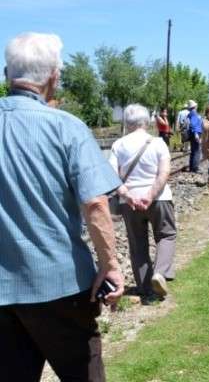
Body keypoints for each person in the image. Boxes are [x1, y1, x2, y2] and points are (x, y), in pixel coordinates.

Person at [0, 32, 124, 381]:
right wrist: (110, 265)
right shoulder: (66, 128)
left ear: (7, 72)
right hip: (60, 286)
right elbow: (96, 204)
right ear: (53, 76)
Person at [109, 104, 176, 300]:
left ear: (127, 123)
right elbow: (164, 172)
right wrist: (150, 194)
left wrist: (128, 196)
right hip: (159, 199)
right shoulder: (157, 143)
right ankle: (159, 273)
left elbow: (111, 176)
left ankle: (145, 288)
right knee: (166, 235)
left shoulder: (118, 145)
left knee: (137, 243)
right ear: (146, 122)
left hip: (129, 203)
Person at [186, 100, 203, 173]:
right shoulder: (194, 113)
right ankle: (195, 168)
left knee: (193, 151)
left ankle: (191, 167)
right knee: (197, 151)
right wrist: (196, 134)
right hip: (195, 134)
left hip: (193, 133)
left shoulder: (190, 113)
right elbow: (193, 124)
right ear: (195, 106)